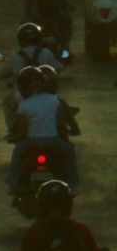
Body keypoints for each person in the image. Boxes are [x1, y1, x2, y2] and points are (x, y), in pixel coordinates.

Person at [7, 64, 80, 195]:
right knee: (70, 152)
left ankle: (13, 186)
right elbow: (60, 124)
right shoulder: (55, 100)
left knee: (16, 155)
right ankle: (72, 185)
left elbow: (21, 130)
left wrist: (15, 137)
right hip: (54, 141)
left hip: (31, 143)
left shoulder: (24, 105)